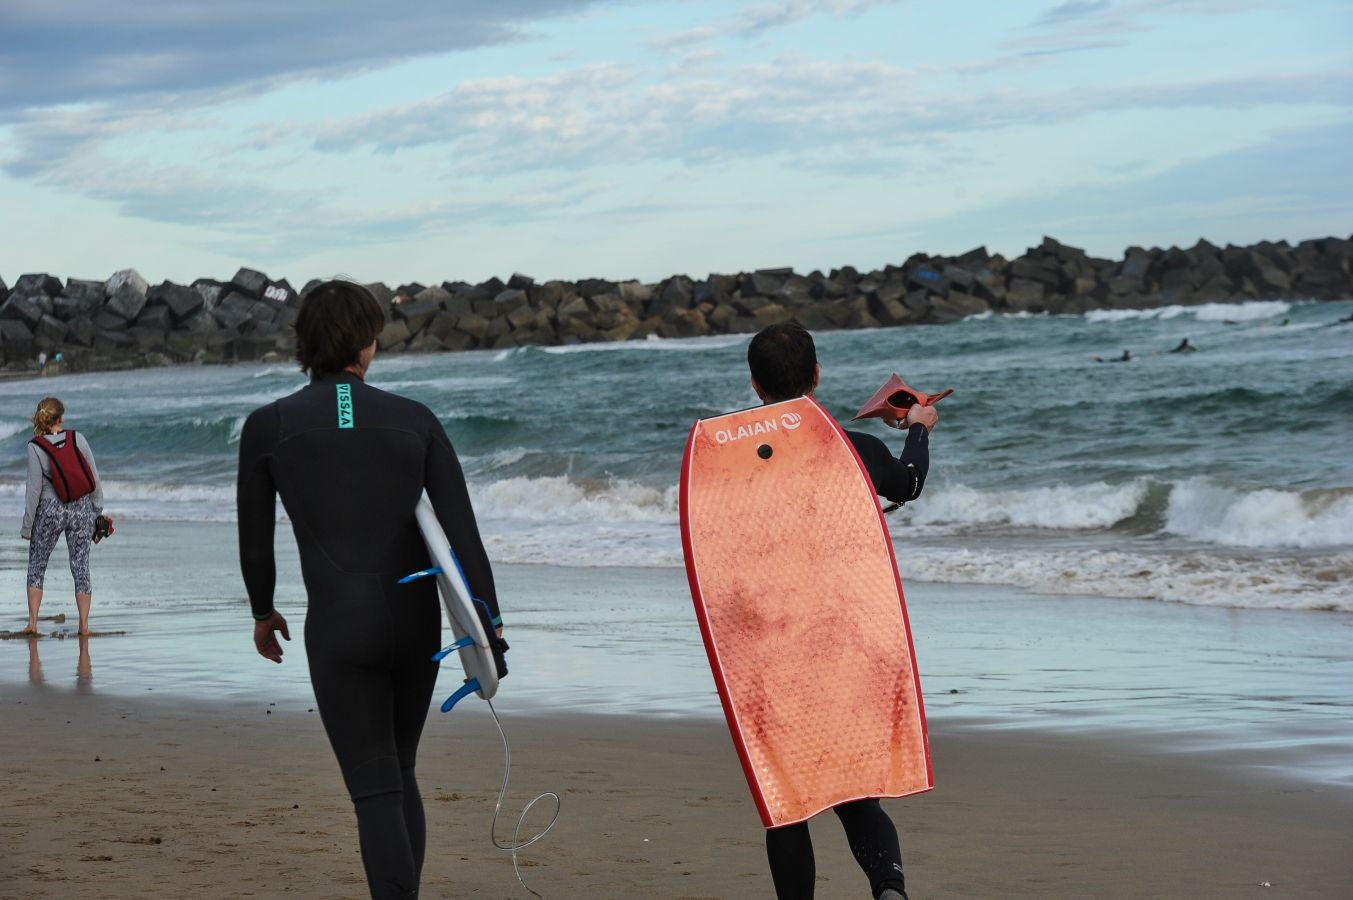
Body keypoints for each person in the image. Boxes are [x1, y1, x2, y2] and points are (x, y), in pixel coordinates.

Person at [237, 280, 506, 900]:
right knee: (399, 773)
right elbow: (463, 538)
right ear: (366, 343)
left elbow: (255, 540)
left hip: (339, 626)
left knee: (377, 789)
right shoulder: (415, 419)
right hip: (415, 630)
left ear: (304, 344)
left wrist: (262, 609)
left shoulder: (268, 426)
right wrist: (489, 628)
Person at [743, 323, 937, 900]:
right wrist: (918, 429)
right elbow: (907, 484)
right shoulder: (855, 448)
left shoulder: (735, 458)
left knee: (787, 798)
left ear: (755, 385)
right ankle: (889, 889)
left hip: (770, 641)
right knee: (856, 792)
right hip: (843, 638)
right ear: (818, 374)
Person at [21, 397, 106, 636]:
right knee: (80, 567)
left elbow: (34, 490)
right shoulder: (77, 438)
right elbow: (94, 478)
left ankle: (33, 623)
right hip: (80, 508)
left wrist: (28, 526)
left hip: (50, 510)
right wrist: (97, 510)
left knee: (37, 565)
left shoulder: (35, 447)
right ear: (61, 418)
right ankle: (84, 626)